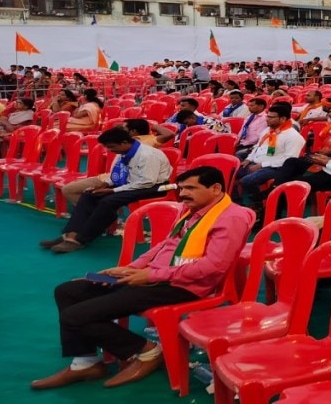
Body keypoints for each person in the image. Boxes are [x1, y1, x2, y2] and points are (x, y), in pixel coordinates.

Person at [30, 166, 254, 390]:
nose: (183, 194)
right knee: (68, 291)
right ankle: (85, 363)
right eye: (182, 188)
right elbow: (166, 245)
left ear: (215, 189)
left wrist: (150, 275)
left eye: (191, 188)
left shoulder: (231, 217)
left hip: (182, 286)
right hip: (155, 276)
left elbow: (213, 266)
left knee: (75, 316)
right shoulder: (194, 210)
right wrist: (129, 268)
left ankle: (148, 351)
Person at [40, 127, 172, 253]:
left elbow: (147, 182)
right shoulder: (124, 152)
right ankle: (71, 234)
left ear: (124, 142)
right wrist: (105, 185)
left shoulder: (147, 155)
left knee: (108, 201)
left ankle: (81, 239)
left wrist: (113, 190)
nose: (109, 150)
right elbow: (117, 175)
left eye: (111, 147)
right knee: (89, 195)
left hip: (155, 187)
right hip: (133, 184)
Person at [236, 102, 306, 214]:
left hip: (276, 168)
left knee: (248, 180)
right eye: (267, 116)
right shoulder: (268, 131)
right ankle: (238, 202)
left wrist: (262, 165)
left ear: (283, 119)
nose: (266, 119)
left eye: (270, 117)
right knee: (232, 172)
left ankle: (258, 204)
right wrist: (248, 159)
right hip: (256, 162)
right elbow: (257, 147)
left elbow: (290, 161)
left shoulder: (293, 136)